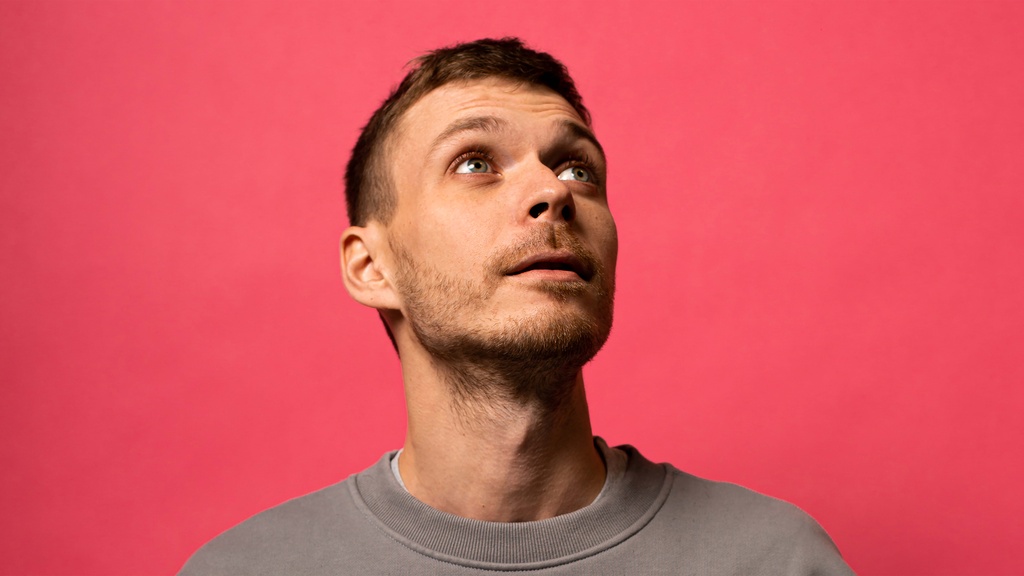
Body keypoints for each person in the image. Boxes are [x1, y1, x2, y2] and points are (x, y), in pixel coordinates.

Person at [179, 38, 854, 575]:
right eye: (474, 163)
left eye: (577, 169)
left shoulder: (777, 561)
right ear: (371, 266)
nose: (554, 191)